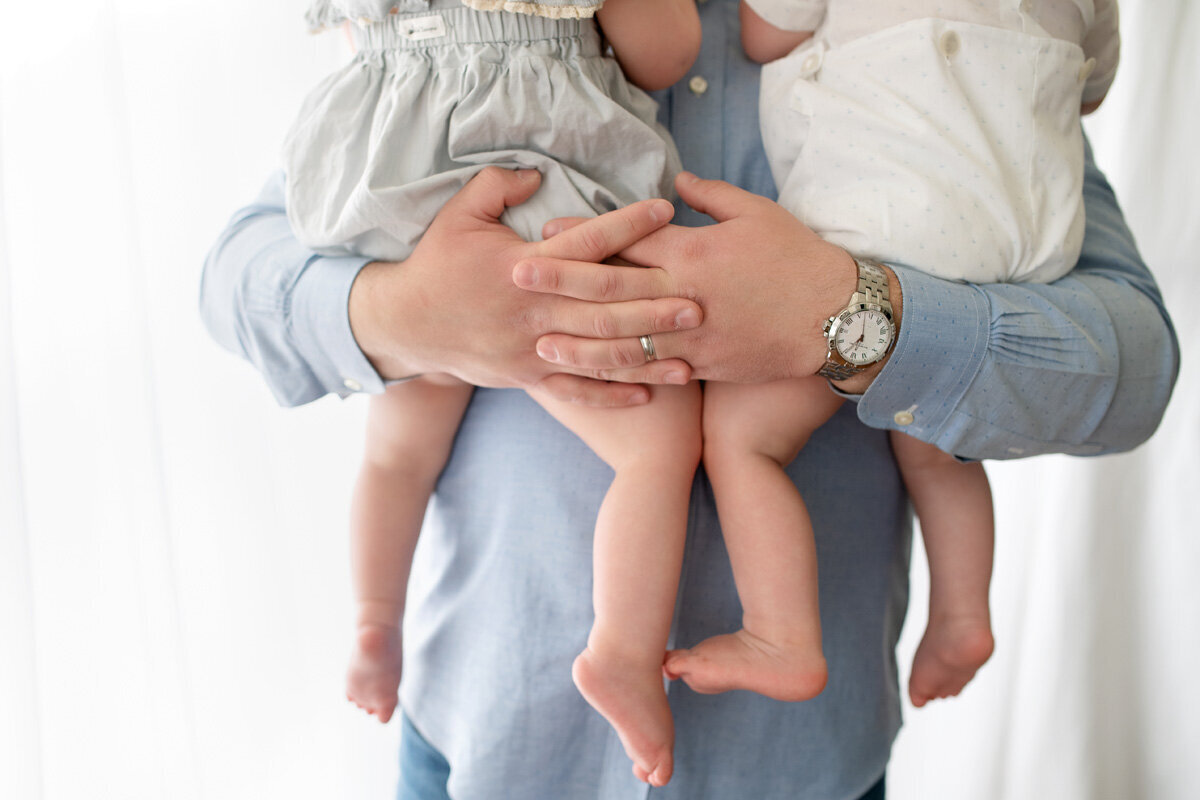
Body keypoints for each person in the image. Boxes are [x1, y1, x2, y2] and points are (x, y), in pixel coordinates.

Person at [200, 1, 1179, 798]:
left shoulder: (943, 36)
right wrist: (400, 312)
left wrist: (852, 316)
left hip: (800, 766)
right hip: (484, 739)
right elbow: (235, 278)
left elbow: (1132, 367)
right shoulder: (471, 42)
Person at [283, 0, 702, 785]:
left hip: (386, 187)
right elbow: (670, 51)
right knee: (659, 448)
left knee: (398, 454)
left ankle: (375, 617)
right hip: (526, 188)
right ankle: (621, 652)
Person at [659, 0, 1121, 711]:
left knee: (742, 438)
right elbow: (1092, 88)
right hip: (1023, 249)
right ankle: (964, 616)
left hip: (880, 234)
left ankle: (781, 634)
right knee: (936, 447)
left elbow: (762, 35)